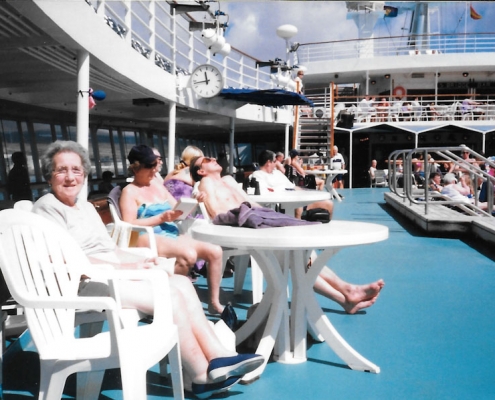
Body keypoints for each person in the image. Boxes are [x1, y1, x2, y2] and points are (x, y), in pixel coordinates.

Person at [32, 140, 264, 398]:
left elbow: (108, 248)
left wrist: (137, 261)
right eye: (61, 170)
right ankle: (200, 374)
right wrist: (126, 267)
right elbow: (68, 262)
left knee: (181, 283)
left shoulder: (84, 206)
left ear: (84, 174)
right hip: (83, 283)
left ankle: (220, 356)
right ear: (48, 175)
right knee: (170, 295)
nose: (70, 177)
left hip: (110, 274)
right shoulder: (46, 208)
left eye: (76, 170)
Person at [190, 155, 384, 314]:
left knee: (302, 252)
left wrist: (273, 217)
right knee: (297, 254)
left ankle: (346, 295)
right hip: (244, 228)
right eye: (206, 159)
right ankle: (346, 294)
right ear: (201, 171)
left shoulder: (229, 180)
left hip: (258, 220)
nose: (213, 158)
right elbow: (218, 215)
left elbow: (251, 203)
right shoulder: (205, 183)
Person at [119, 144, 225, 315]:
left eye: (155, 167)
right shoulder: (129, 192)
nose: (155, 171)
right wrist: (161, 218)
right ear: (137, 168)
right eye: (151, 167)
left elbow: (177, 209)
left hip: (168, 230)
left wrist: (194, 201)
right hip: (146, 235)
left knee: (215, 251)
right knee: (188, 255)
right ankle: (170, 299)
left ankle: (214, 303)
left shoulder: (157, 185)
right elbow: (129, 223)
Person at [251, 150, 334, 219]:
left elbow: (292, 186)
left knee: (329, 204)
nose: (276, 163)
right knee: (298, 207)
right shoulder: (257, 175)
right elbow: (263, 193)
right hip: (284, 204)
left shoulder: (277, 173)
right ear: (269, 162)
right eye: (275, 161)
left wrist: (305, 192)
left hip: (297, 200)